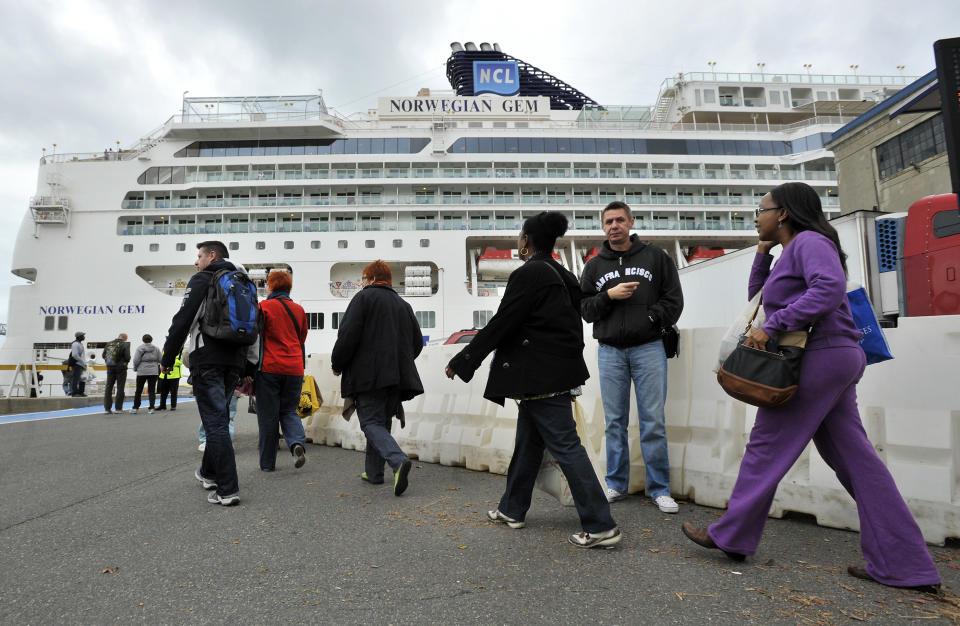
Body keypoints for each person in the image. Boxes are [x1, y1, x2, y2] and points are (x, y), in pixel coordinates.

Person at [681, 182, 941, 593]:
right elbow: (760, 304)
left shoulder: (810, 242)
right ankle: (905, 565)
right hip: (831, 357)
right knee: (856, 462)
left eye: (761, 209)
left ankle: (732, 535)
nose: (756, 217)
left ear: (782, 213)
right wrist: (762, 257)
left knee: (766, 446)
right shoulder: (791, 251)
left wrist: (776, 326)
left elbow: (828, 289)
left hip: (817, 358)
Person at [446, 211, 621, 549]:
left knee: (567, 448)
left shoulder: (530, 274)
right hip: (555, 372)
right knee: (528, 445)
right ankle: (512, 510)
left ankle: (601, 525)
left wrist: (464, 359)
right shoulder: (564, 274)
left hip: (539, 377)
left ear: (526, 240)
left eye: (519, 236)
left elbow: (503, 323)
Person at [579, 201, 684, 513]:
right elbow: (584, 309)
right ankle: (615, 483)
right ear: (603, 227)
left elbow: (674, 299)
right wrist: (608, 296)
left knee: (653, 421)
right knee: (615, 422)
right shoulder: (594, 266)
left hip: (648, 347)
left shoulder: (655, 257)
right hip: (610, 351)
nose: (615, 226)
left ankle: (660, 489)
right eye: (609, 221)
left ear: (631, 222)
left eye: (620, 220)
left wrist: (652, 319)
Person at [162, 241, 253, 507]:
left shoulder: (203, 279)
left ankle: (227, 489)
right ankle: (209, 473)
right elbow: (254, 327)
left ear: (212, 256)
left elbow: (183, 320)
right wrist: (248, 366)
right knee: (220, 417)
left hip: (209, 359)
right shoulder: (243, 282)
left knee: (215, 423)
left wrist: (168, 357)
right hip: (234, 361)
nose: (196, 261)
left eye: (199, 256)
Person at [331, 260, 422, 496]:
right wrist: (401, 361)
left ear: (371, 279)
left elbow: (348, 335)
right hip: (397, 377)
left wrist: (337, 363)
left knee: (370, 423)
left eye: (363, 278)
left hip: (368, 375)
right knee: (381, 422)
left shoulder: (363, 299)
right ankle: (374, 473)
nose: (362, 283)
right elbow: (416, 342)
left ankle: (397, 460)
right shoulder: (403, 304)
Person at [255, 270, 309, 471]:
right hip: (294, 368)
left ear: (270, 286)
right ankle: (296, 443)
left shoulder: (263, 307)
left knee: (268, 417)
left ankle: (268, 464)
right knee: (288, 411)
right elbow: (301, 338)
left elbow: (255, 337)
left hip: (269, 368)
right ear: (289, 287)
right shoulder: (299, 310)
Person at [130, 334, 161, 414]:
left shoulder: (140, 348)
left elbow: (136, 360)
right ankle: (151, 408)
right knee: (151, 390)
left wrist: (135, 368)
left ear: (143, 340)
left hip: (142, 371)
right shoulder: (156, 348)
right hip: (153, 371)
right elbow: (160, 359)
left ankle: (135, 408)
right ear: (151, 339)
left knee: (138, 390)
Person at [102, 333, 131, 414]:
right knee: (120, 387)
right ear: (124, 338)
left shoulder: (109, 343)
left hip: (110, 368)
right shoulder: (125, 344)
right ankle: (118, 408)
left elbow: (103, 355)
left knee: (108, 387)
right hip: (121, 368)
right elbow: (127, 357)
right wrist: (124, 362)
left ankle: (107, 409)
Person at [69, 331, 86, 397]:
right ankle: (74, 393)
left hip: (81, 364)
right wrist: (82, 362)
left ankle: (81, 392)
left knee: (82, 378)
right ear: (79, 336)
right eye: (83, 335)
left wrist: (84, 363)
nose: (84, 337)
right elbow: (75, 355)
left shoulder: (80, 344)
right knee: (75, 378)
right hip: (77, 364)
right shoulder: (75, 344)